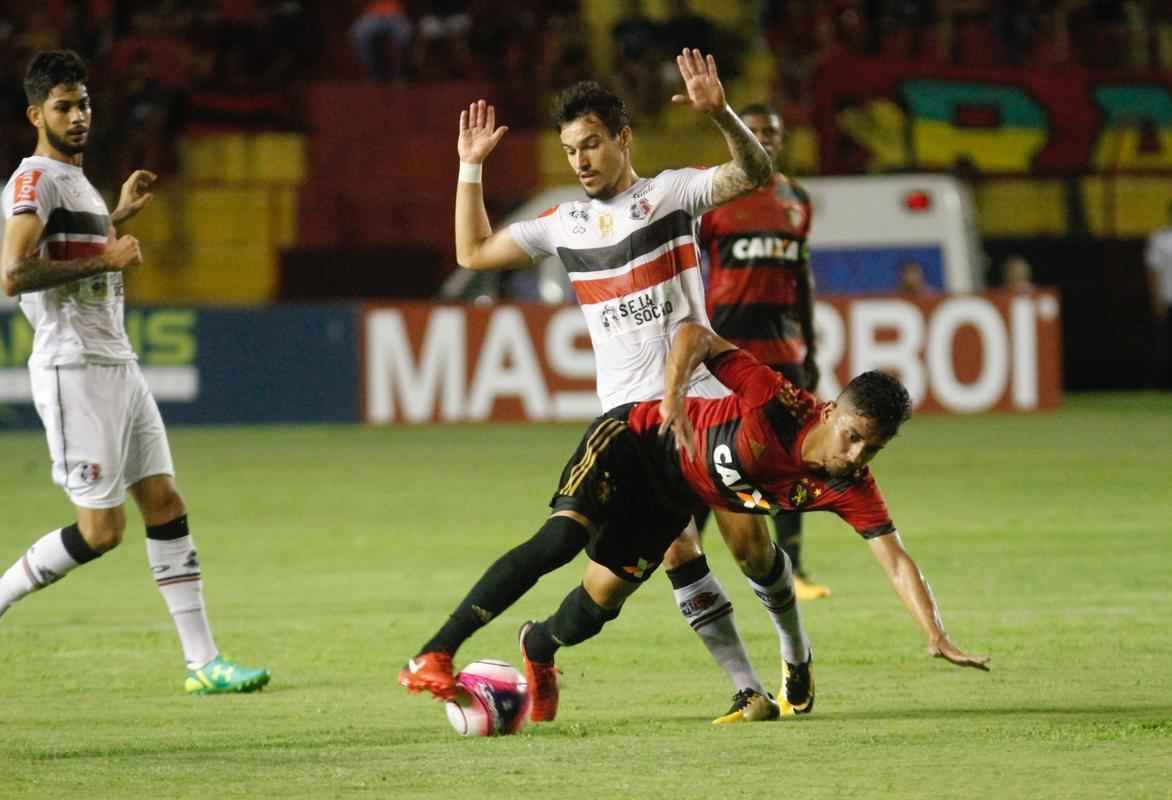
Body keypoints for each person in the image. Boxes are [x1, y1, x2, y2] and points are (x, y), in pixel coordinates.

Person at [402, 49, 789, 723]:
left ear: (622, 140)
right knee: (595, 546)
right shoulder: (566, 225)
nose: (580, 160)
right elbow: (472, 253)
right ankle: (747, 686)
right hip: (626, 427)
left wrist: (721, 113)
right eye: (570, 149)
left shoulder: (668, 194)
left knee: (627, 588)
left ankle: (541, 642)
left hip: (699, 413)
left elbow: (756, 171)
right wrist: (470, 167)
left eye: (591, 145)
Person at [400, 321, 990, 724]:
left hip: (670, 497)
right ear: (833, 411)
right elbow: (694, 335)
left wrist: (934, 632)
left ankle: (539, 643)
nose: (857, 455)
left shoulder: (849, 485)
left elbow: (895, 560)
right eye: (854, 437)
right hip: (636, 437)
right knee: (562, 538)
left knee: (598, 604)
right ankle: (435, 653)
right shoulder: (774, 402)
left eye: (873, 449)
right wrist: (675, 395)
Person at [0, 50, 270, 695]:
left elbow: (74, 247)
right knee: (101, 531)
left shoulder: (76, 182)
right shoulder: (34, 181)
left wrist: (115, 218)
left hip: (117, 364)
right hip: (75, 369)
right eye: (64, 106)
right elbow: (14, 274)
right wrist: (109, 259)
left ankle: (203, 664)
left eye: (85, 104)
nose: (79, 116)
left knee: (164, 502)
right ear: (37, 114)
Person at [684, 102, 830, 601]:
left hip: (784, 350)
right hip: (728, 351)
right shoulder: (715, 195)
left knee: (793, 457)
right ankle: (684, 556)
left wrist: (810, 346)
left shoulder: (796, 198)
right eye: (756, 130)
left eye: (774, 131)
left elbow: (802, 280)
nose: (765, 138)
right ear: (740, 136)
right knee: (709, 451)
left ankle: (796, 568)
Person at [1146, 203, 1172, 389]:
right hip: (1168, 299)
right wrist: (1156, 299)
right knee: (1165, 345)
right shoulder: (1160, 239)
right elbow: (1153, 272)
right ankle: (1162, 383)